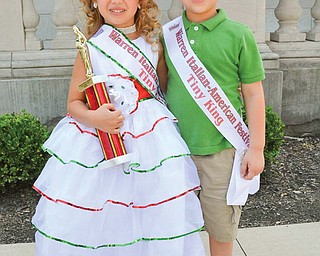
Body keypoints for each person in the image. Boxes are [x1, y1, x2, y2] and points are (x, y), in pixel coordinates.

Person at [31, 1, 205, 255]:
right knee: (105, 211)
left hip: (152, 142)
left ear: (140, 3)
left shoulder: (155, 44)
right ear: (94, 3)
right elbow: (73, 104)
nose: (117, 2)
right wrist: (96, 119)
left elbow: (165, 92)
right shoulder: (90, 48)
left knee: (155, 208)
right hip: (99, 145)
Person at [162, 1, 266, 256]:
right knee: (172, 229)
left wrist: (257, 148)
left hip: (222, 152)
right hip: (174, 151)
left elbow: (253, 94)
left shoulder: (239, 34)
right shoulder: (168, 35)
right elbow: (162, 87)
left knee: (220, 230)